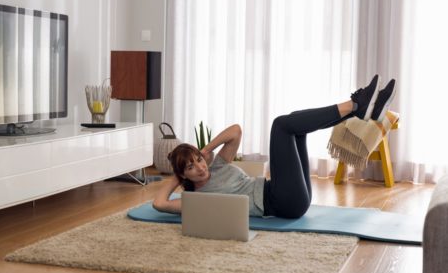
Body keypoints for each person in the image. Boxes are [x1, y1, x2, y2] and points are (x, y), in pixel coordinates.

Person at [153, 75, 396, 218]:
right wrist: (177, 177)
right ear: (184, 175)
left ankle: (361, 110)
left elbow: (236, 131)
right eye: (190, 167)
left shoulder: (217, 166)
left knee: (295, 123)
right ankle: (356, 106)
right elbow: (160, 203)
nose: (199, 167)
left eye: (198, 160)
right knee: (281, 125)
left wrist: (207, 148)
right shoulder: (195, 199)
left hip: (290, 195)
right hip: (283, 203)